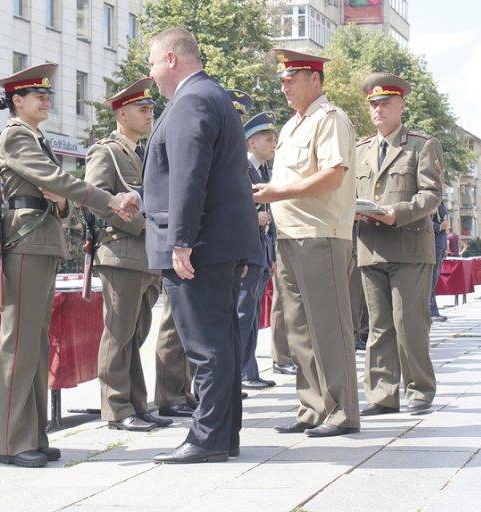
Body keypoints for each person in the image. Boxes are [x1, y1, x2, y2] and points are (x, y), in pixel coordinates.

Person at [123, 27, 261, 464]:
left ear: (170, 60)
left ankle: (207, 438)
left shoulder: (190, 100)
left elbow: (189, 174)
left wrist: (181, 240)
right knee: (221, 341)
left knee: (206, 346)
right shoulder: (210, 95)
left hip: (198, 245)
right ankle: (222, 434)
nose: (150, 75)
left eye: (150, 64)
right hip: (218, 241)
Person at [0, 63, 130, 468]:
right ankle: (13, 442)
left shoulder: (36, 137)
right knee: (19, 344)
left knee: (34, 343)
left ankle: (33, 433)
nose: (45, 99)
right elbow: (54, 180)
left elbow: (58, 193)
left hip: (41, 240)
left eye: (47, 94)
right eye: (37, 94)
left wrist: (64, 200)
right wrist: (106, 201)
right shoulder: (16, 136)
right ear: (16, 101)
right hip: (25, 242)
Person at [252, 49, 360, 438]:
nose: (284, 86)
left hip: (321, 236)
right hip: (291, 237)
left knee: (328, 327)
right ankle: (312, 407)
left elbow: (333, 177)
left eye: (291, 78)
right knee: (298, 330)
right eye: (281, 80)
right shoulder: (292, 126)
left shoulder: (329, 119)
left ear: (315, 79)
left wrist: (276, 194)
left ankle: (342, 411)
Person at [354, 72, 442, 417]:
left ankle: (419, 389)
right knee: (377, 325)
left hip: (409, 247)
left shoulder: (421, 145)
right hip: (370, 246)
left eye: (386, 104)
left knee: (410, 322)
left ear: (401, 106)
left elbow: (432, 194)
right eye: (374, 105)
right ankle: (382, 394)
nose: (378, 111)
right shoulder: (360, 149)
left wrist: (398, 212)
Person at [85, 77, 168, 432]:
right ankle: (116, 407)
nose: (149, 114)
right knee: (118, 334)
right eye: (142, 108)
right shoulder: (105, 151)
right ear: (121, 113)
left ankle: (136, 402)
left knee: (136, 334)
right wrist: (141, 227)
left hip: (145, 256)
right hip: (120, 252)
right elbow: (95, 199)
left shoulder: (140, 152)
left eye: (151, 108)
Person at [239, 112, 278, 390]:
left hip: (261, 251)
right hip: (247, 250)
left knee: (252, 313)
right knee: (243, 312)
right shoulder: (242, 168)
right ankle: (241, 371)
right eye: (267, 138)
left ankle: (249, 370)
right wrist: (255, 218)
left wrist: (272, 255)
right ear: (252, 143)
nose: (273, 142)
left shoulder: (265, 172)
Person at [430, 202, 449, 322]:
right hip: (432, 245)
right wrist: (438, 227)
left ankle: (433, 310)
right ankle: (431, 311)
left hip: (439, 246)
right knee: (430, 281)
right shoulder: (431, 199)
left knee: (433, 280)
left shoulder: (440, 202)